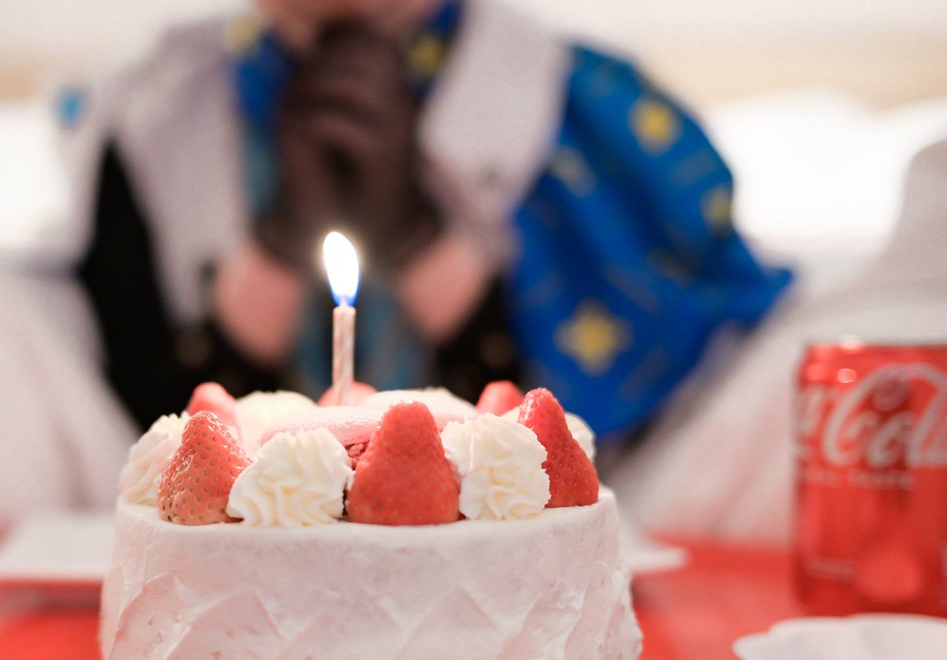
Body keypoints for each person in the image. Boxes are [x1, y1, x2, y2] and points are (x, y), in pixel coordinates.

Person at [63, 0, 792, 444]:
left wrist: (417, 236)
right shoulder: (156, 116)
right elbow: (151, 426)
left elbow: (587, 440)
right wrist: (282, 242)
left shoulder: (592, 116)